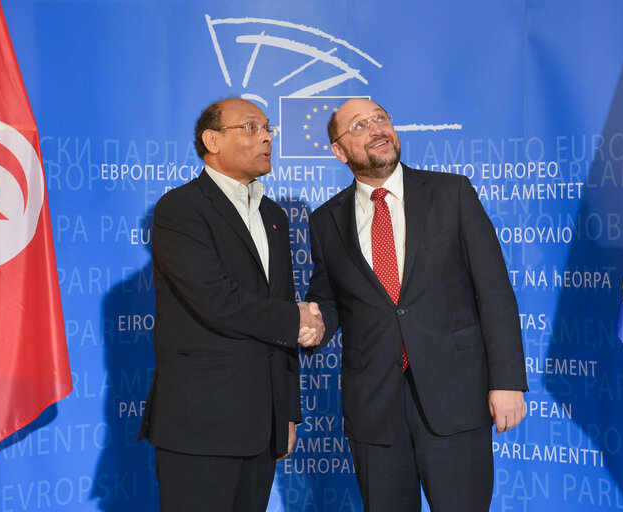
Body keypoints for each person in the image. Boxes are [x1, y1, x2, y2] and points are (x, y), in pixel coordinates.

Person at [303, 98, 527, 511]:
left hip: (456, 398)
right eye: (359, 126)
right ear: (338, 150)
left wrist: (507, 380)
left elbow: (494, 291)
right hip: (374, 406)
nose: (376, 129)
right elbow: (330, 300)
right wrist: (313, 324)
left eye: (380, 119)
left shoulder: (451, 193)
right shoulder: (325, 220)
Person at [138, 98, 323, 511]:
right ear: (212, 140)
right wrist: (297, 317)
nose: (267, 137)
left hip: (262, 426)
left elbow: (278, 311)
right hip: (200, 426)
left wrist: (287, 410)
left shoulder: (274, 216)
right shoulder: (181, 208)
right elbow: (215, 300)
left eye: (268, 127)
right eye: (252, 127)